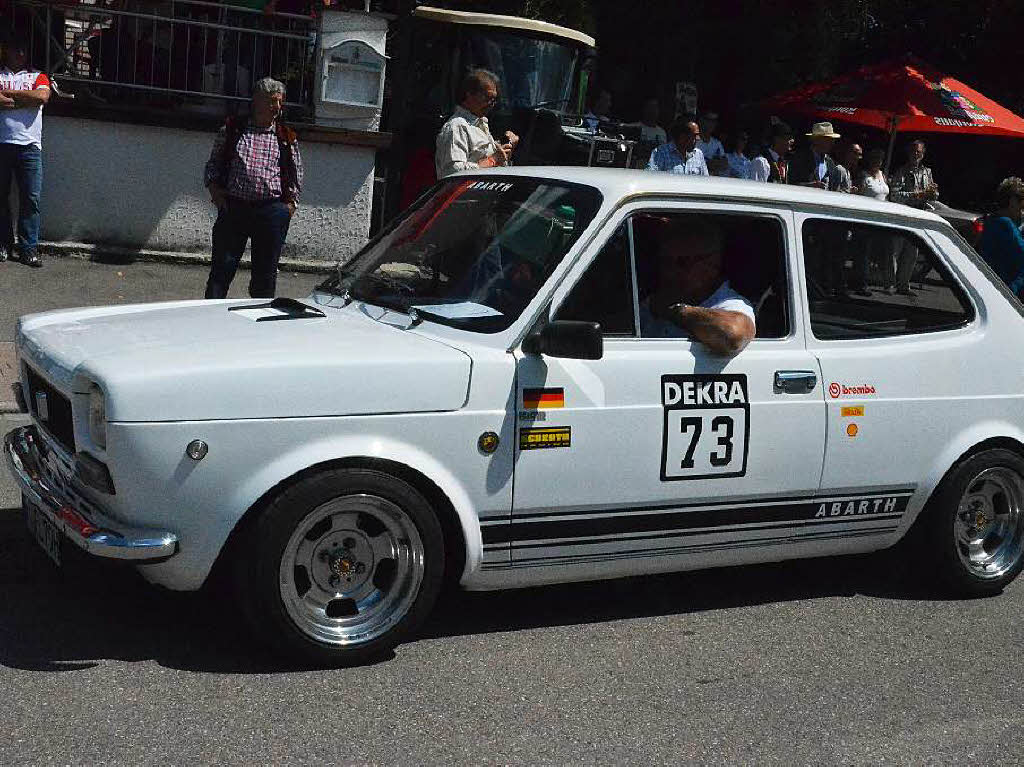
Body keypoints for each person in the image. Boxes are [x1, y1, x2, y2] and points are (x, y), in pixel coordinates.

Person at [203, 77, 303, 299]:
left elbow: (296, 175)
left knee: (265, 278)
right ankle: (209, 321)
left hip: (271, 213)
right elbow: (213, 165)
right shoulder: (233, 130)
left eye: (280, 102)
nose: (277, 107)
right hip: (234, 209)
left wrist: (289, 207)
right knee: (221, 271)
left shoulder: (285, 137)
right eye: (272, 101)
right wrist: (215, 193)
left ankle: (260, 325)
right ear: (257, 101)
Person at [639, 219, 755, 355]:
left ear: (712, 263)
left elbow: (732, 334)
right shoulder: (656, 300)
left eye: (682, 262)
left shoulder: (731, 304)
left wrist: (676, 312)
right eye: (665, 261)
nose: (669, 271)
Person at [0, 35, 49, 268]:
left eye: (23, 50)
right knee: (1, 198)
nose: (20, 54)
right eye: (16, 49)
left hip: (30, 146)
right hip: (2, 143)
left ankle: (28, 248)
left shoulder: (37, 75)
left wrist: (9, 95)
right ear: (6, 51)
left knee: (31, 199)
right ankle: (4, 244)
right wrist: (25, 100)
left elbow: (41, 96)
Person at [435, 69, 518, 179]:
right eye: (487, 98)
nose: (491, 104)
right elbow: (452, 173)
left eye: (494, 100)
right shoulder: (457, 127)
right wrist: (492, 160)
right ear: (469, 94)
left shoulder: (480, 124)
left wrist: (506, 152)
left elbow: (494, 168)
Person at [979, 177, 1024, 294]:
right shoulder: (1005, 224)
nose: (1022, 212)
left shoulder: (992, 220)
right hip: (1008, 291)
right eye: (1022, 206)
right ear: (1013, 201)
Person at [788, 122, 843, 190]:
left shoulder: (830, 162)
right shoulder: (800, 158)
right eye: (828, 139)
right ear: (816, 140)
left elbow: (832, 187)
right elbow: (790, 184)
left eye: (832, 140)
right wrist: (809, 186)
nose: (832, 143)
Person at [889, 139, 939, 209]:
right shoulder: (901, 171)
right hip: (906, 210)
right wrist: (917, 195)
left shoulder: (927, 172)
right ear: (908, 153)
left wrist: (934, 193)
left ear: (922, 154)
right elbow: (893, 196)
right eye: (913, 151)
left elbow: (934, 197)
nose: (915, 154)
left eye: (918, 152)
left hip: (923, 211)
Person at [696, 110, 727, 176]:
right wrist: (712, 163)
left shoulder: (717, 143)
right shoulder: (693, 142)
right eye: (709, 120)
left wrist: (709, 163)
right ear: (701, 120)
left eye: (714, 121)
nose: (712, 124)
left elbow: (724, 164)